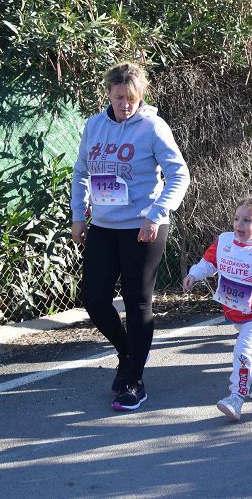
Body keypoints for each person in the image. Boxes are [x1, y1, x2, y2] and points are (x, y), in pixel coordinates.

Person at [71, 61, 190, 411]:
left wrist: (156, 214)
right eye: (119, 96)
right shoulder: (94, 126)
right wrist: (79, 216)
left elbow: (178, 175)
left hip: (144, 227)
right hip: (104, 227)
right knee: (93, 298)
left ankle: (134, 380)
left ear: (141, 96)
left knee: (138, 302)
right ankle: (127, 353)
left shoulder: (152, 127)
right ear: (108, 93)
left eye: (132, 97)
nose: (125, 103)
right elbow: (81, 171)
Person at [183, 197, 252, 422]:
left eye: (247, 220)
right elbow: (209, 263)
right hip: (234, 311)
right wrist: (194, 275)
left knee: (242, 350)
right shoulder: (224, 241)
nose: (239, 224)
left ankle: (236, 397)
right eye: (237, 219)